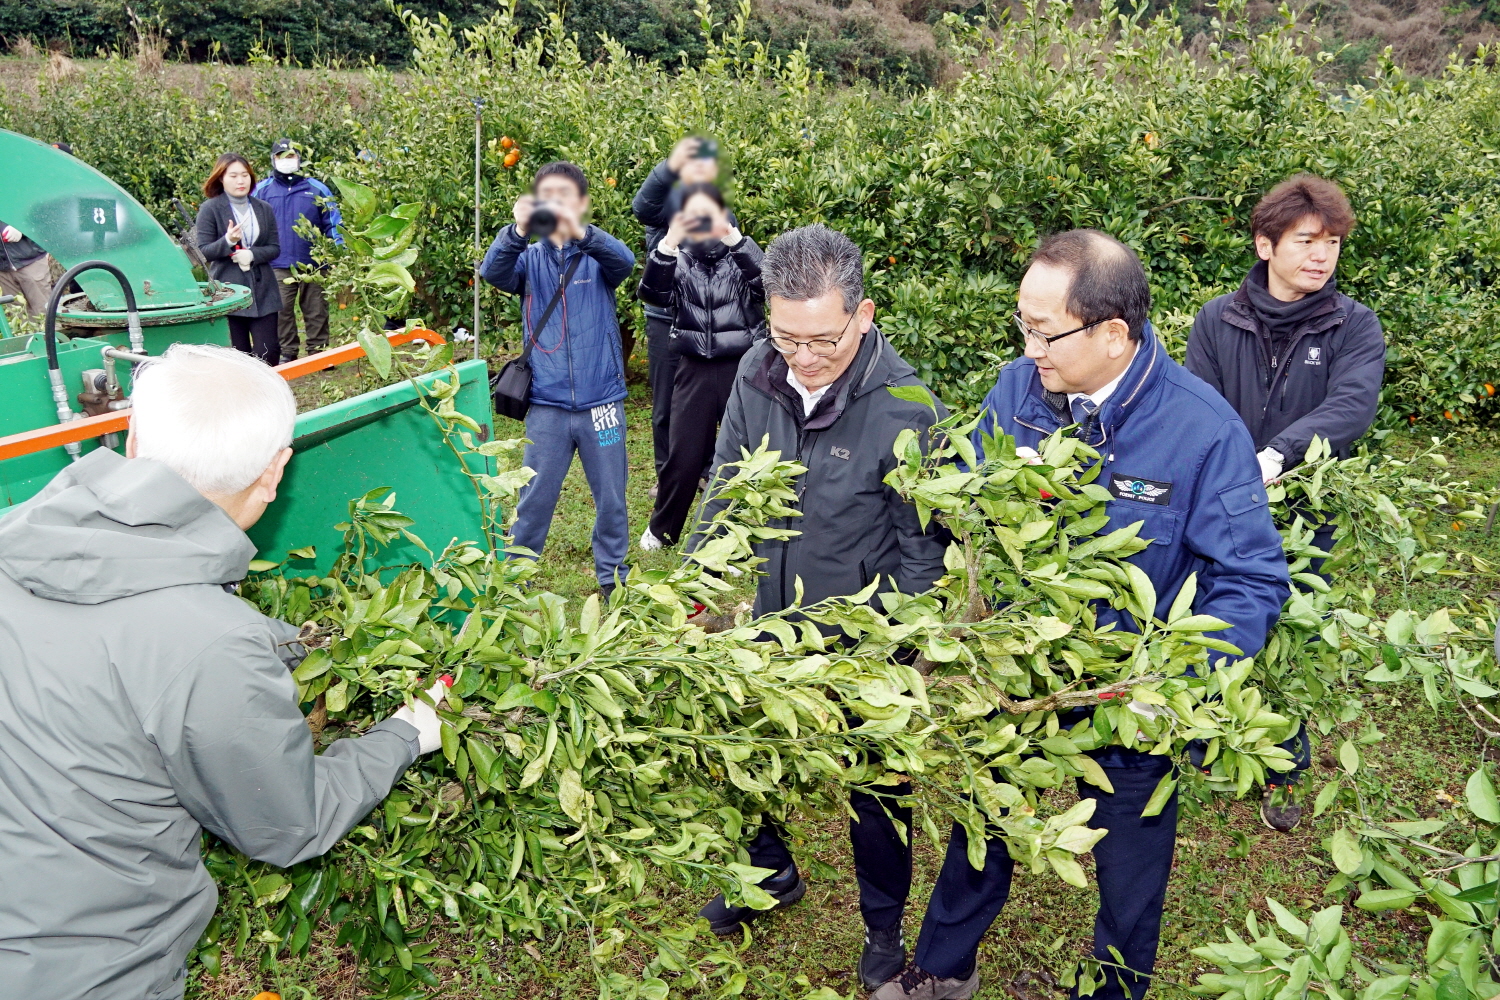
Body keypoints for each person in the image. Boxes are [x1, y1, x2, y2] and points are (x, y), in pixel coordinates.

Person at [876, 230, 1290, 1000]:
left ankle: (1113, 989)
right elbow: (966, 510)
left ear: (1111, 334)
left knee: (1130, 869)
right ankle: (941, 969)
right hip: (1016, 678)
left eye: (1044, 331)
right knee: (982, 825)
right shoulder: (1017, 393)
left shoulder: (1202, 432)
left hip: (1125, 702)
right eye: (1021, 326)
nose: (1029, 346)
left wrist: (1170, 683)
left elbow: (1252, 581)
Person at [0, 343, 448, 999]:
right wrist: (409, 733)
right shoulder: (213, 646)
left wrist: (291, 643)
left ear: (131, 437)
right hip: (89, 971)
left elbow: (126, 637)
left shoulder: (19, 537)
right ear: (274, 472)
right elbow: (289, 824)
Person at [684, 223, 950, 989]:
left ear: (863, 316)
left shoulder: (906, 409)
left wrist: (893, 653)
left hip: (864, 647)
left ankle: (881, 927)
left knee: (875, 795)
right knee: (748, 760)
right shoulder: (757, 373)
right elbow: (728, 487)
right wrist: (694, 582)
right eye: (785, 336)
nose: (801, 357)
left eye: (822, 341)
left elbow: (921, 554)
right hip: (769, 625)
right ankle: (768, 873)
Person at [1184, 175, 1382, 830]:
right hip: (1222, 507)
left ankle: (1287, 768)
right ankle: (1210, 735)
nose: (1322, 255)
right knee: (1213, 616)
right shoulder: (1218, 319)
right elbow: (1200, 405)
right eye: (1306, 240)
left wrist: (1279, 455)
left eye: (1332, 243)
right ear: (1266, 244)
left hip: (1305, 515)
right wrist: (1237, 470)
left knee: (1292, 635)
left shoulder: (1353, 325)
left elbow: (1351, 405)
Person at [481, 161, 636, 595]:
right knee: (534, 499)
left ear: (581, 203)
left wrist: (582, 231)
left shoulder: (598, 256)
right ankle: (514, 578)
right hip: (547, 404)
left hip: (601, 401)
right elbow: (492, 272)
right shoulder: (528, 261)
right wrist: (516, 229)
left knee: (612, 500)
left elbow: (625, 262)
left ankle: (613, 580)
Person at [637, 182, 765, 549]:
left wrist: (735, 240)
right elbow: (652, 293)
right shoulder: (678, 259)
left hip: (744, 366)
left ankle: (745, 534)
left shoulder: (739, 257)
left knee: (750, 453)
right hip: (694, 367)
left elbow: (769, 284)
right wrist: (668, 243)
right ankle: (664, 530)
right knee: (684, 454)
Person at [633, 136, 735, 483]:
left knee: (707, 402)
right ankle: (667, 475)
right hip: (666, 319)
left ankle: (706, 470)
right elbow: (641, 206)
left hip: (707, 322)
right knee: (665, 405)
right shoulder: (665, 206)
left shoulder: (718, 206)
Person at [252, 137, 344, 361]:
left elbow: (333, 222)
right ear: (273, 160)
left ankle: (319, 353)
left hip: (314, 262)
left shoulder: (316, 188)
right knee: (282, 312)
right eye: (281, 156)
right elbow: (250, 224)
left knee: (316, 311)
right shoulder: (262, 191)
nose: (286, 160)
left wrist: (337, 251)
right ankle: (289, 353)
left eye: (291, 156)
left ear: (299, 159)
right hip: (278, 264)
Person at [195, 153, 283, 364]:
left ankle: (266, 393)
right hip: (228, 290)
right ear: (221, 178)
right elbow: (203, 251)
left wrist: (252, 254)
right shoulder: (210, 209)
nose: (241, 181)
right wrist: (227, 241)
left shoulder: (263, 208)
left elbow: (274, 248)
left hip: (263, 290)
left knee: (269, 351)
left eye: (245, 175)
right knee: (237, 355)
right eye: (233, 175)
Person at [0, 219, 53, 318]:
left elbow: (39, 215)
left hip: (30, 261)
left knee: (44, 312)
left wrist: (21, 228)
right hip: (3, 271)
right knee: (16, 316)